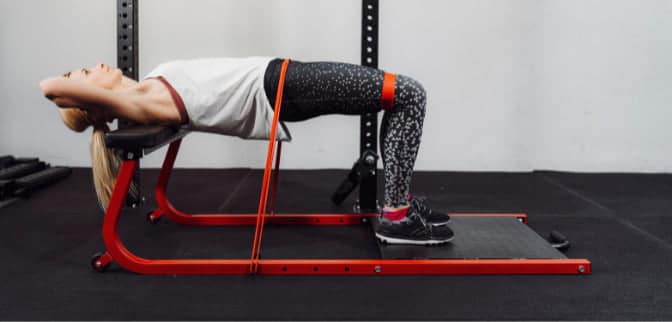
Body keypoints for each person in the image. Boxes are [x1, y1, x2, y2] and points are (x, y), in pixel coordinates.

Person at [39, 57, 454, 245]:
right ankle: (395, 218)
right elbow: (49, 88)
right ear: (91, 98)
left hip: (283, 77)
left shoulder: (148, 81)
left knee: (401, 96)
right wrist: (76, 91)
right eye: (85, 75)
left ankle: (396, 206)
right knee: (409, 94)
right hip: (280, 87)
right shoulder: (140, 101)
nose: (94, 67)